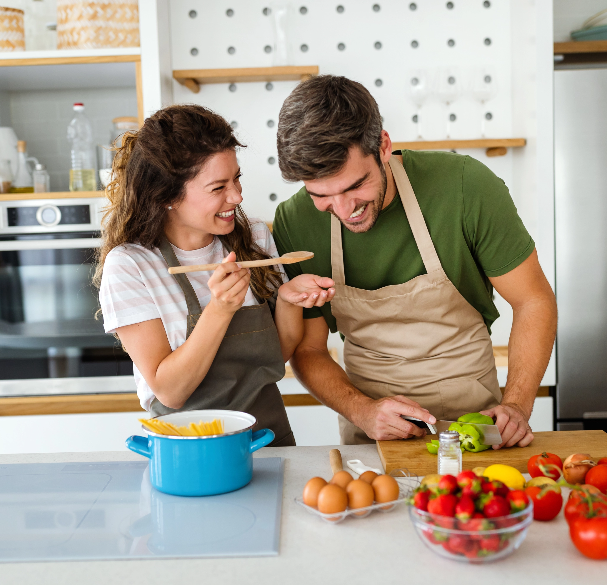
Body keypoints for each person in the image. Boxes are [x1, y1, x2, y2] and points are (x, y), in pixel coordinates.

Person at [273, 75, 557, 447]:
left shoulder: (466, 187)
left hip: (479, 424)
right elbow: (308, 350)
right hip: (372, 435)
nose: (344, 210)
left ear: (384, 146)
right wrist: (363, 411)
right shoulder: (295, 223)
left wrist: (517, 406)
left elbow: (533, 300)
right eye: (321, 195)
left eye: (355, 185)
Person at [94, 104, 335, 447]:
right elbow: (171, 391)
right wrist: (220, 310)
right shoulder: (131, 266)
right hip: (192, 449)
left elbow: (277, 353)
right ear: (166, 195)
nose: (237, 197)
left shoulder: (254, 237)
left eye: (236, 178)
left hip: (269, 436)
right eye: (218, 186)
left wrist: (287, 300)